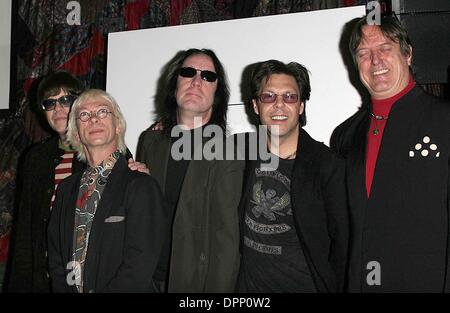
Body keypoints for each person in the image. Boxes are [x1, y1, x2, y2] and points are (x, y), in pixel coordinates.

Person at [331, 15, 450, 292]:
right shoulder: (345, 136)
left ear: (407, 53)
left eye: (385, 48)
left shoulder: (444, 121)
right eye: (364, 52)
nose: (375, 61)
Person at [136, 48, 244, 292]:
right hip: (145, 277)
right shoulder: (150, 141)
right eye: (188, 73)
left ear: (217, 94)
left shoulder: (227, 151)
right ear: (175, 83)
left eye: (208, 76)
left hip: (192, 282)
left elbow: (225, 240)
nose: (196, 81)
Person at [237, 60, 348, 293]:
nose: (279, 105)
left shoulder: (327, 166)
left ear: (301, 106)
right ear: (255, 105)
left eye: (290, 97)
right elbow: (197, 145)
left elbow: (344, 246)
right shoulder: (240, 152)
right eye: (268, 97)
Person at [47, 89, 166, 292]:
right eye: (84, 115)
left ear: (118, 126)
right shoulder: (66, 190)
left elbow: (140, 263)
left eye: (103, 112)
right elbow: (57, 258)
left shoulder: (141, 185)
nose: (93, 119)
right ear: (75, 131)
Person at [6, 71, 85, 292]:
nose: (58, 108)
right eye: (50, 103)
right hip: (47, 274)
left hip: (93, 273)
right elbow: (25, 229)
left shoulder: (104, 150)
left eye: (66, 99)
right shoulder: (36, 157)